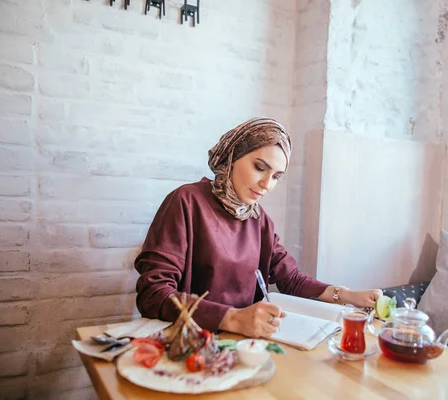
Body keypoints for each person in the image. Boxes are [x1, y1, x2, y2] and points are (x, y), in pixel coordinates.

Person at [134, 117, 383, 338]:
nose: (266, 184)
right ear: (231, 157)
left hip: (243, 346)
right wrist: (232, 318)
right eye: (259, 167)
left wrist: (349, 296)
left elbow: (291, 280)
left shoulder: (258, 219)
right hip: (189, 344)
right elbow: (153, 294)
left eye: (276, 176)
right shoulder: (186, 202)